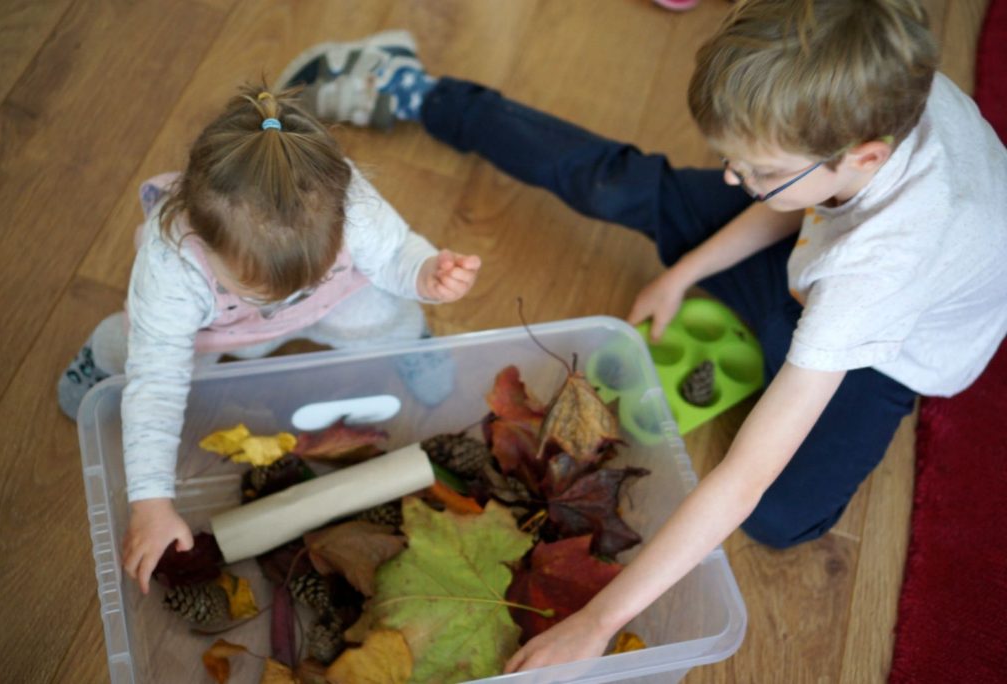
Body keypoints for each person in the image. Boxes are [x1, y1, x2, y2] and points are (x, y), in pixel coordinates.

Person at [285, 0, 1007, 671]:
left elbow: (747, 477)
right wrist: (686, 269)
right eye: (734, 158)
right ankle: (417, 89)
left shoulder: (877, 274)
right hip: (818, 246)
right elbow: (804, 202)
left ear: (867, 156)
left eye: (756, 169)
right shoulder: (867, 95)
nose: (733, 178)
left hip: (888, 343)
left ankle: (787, 354)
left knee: (786, 517)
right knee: (617, 182)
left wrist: (598, 622)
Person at [57, 85, 482, 593]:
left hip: (336, 297)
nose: (289, 294)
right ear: (202, 237)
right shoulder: (171, 261)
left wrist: (425, 273)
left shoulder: (348, 197)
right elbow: (157, 385)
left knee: (387, 310)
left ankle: (409, 340)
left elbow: (393, 255)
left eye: (309, 272)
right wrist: (151, 503)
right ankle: (99, 358)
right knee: (133, 353)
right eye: (263, 285)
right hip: (216, 331)